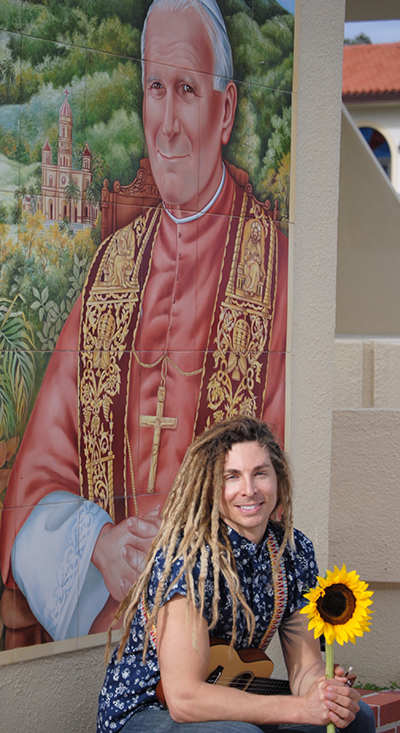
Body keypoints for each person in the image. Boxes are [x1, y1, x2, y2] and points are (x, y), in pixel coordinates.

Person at [0, 0, 288, 644]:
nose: (166, 125)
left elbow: (282, 485)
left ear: (227, 111)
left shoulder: (279, 272)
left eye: (186, 89)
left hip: (216, 628)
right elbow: (39, 475)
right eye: (154, 89)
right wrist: (95, 544)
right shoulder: (110, 270)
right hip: (107, 620)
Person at [97, 416, 375, 733]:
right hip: (148, 711)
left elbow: (304, 669)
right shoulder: (188, 556)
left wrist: (322, 693)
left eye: (260, 474)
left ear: (278, 481)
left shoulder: (293, 551)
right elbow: (184, 698)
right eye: (232, 477)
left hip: (231, 699)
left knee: (354, 718)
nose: (249, 489)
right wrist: (299, 709)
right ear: (211, 487)